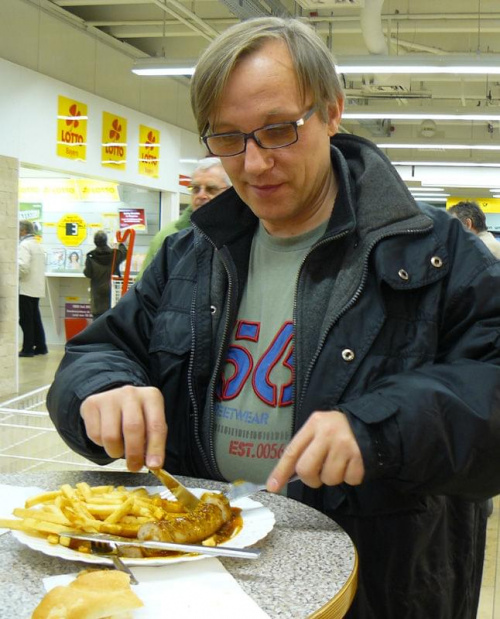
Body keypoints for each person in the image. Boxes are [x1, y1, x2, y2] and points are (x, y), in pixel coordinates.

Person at [47, 17, 500, 619]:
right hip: (200, 574)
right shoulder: (192, 252)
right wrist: (102, 388)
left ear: (332, 112)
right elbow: (100, 351)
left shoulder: (434, 251)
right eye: (228, 138)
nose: (254, 164)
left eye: (279, 131)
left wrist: (382, 428)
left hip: (375, 584)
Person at [136, 157, 230, 279]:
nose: (201, 195)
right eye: (195, 189)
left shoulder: (247, 235)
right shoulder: (168, 236)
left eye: (211, 189)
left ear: (231, 193)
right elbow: (144, 289)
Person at [18, 220, 48, 357]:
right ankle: (41, 346)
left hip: (26, 287)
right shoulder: (38, 244)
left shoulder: (24, 245)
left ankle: (28, 349)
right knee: (35, 318)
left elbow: (22, 266)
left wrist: (14, 277)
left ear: (23, 231)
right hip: (37, 287)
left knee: (25, 319)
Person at [83, 231, 127, 320]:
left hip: (97, 295)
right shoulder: (115, 254)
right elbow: (125, 252)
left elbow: (88, 273)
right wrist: (121, 242)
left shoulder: (91, 257)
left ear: (95, 242)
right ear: (106, 241)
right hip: (112, 293)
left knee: (97, 324)